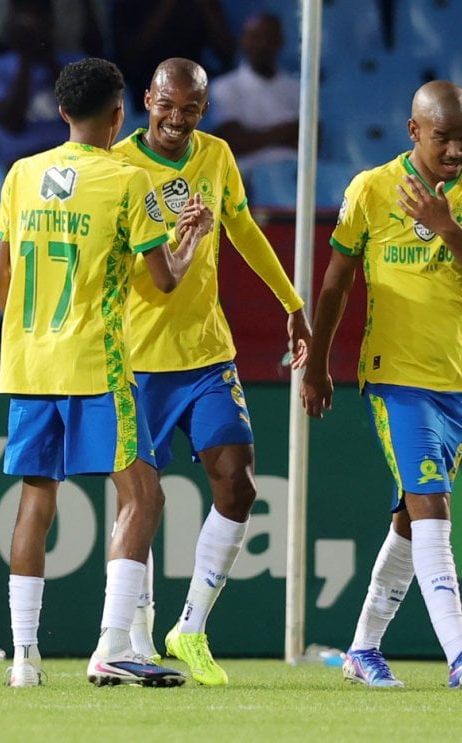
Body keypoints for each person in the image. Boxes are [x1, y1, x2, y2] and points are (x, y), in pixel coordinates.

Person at [0, 57, 213, 688]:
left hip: (29, 367)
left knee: (36, 502)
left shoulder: (21, 174)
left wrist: (34, 332)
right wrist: (191, 237)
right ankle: (112, 645)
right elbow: (164, 281)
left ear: (62, 112)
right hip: (95, 362)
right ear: (121, 114)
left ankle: (24, 659)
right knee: (143, 496)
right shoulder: (126, 179)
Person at [300, 80, 462, 689]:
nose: (455, 150)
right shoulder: (371, 190)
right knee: (431, 503)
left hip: (458, 379)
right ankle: (460, 652)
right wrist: (318, 363)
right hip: (394, 376)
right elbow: (336, 283)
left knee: (409, 519)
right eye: (443, 137)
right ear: (414, 131)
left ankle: (362, 650)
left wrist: (447, 228)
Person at [112, 57, 311, 686]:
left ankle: (190, 627)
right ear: (147, 99)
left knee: (240, 485)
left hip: (205, 356)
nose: (176, 119)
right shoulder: (118, 166)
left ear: (204, 109)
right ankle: (136, 638)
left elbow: (244, 228)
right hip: (135, 361)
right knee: (137, 508)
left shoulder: (218, 156)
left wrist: (293, 305)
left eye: (190, 108)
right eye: (166, 105)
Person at [0, 0, 84, 169]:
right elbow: (12, 123)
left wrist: (49, 59)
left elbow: (82, 118)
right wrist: (25, 60)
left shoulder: (77, 64)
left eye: (39, 16)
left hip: (71, 160)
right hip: (20, 163)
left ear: (51, 21)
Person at [209, 12, 300, 176]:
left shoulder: (297, 88)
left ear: (280, 41)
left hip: (295, 176)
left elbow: (312, 140)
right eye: (254, 37)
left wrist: (253, 137)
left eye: (269, 37)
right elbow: (233, 142)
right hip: (247, 179)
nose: (262, 44)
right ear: (242, 40)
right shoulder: (223, 87)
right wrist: (288, 130)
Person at [109, 0, 235, 113]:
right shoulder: (126, 4)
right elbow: (128, 58)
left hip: (197, 91)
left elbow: (227, 54)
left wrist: (206, 7)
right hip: (146, 95)